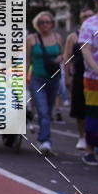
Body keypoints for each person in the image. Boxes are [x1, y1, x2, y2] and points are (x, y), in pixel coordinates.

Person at [26, 11, 63, 155]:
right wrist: (23, 78)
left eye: (48, 22)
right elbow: (28, 60)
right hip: (37, 78)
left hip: (54, 78)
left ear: (52, 24)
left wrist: (61, 58)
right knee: (43, 110)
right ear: (37, 24)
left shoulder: (58, 37)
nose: (45, 25)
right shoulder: (31, 39)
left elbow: (63, 54)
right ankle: (45, 140)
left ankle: (43, 138)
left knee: (49, 109)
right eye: (42, 22)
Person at [64, 7, 95, 150]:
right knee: (80, 107)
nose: (87, 17)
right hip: (81, 74)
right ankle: (82, 136)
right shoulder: (73, 36)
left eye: (90, 15)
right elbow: (67, 58)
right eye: (85, 16)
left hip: (92, 74)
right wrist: (67, 76)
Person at [77, 6, 98, 166]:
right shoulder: (89, 24)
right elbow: (86, 51)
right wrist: (97, 69)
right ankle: (90, 149)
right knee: (94, 113)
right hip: (94, 78)